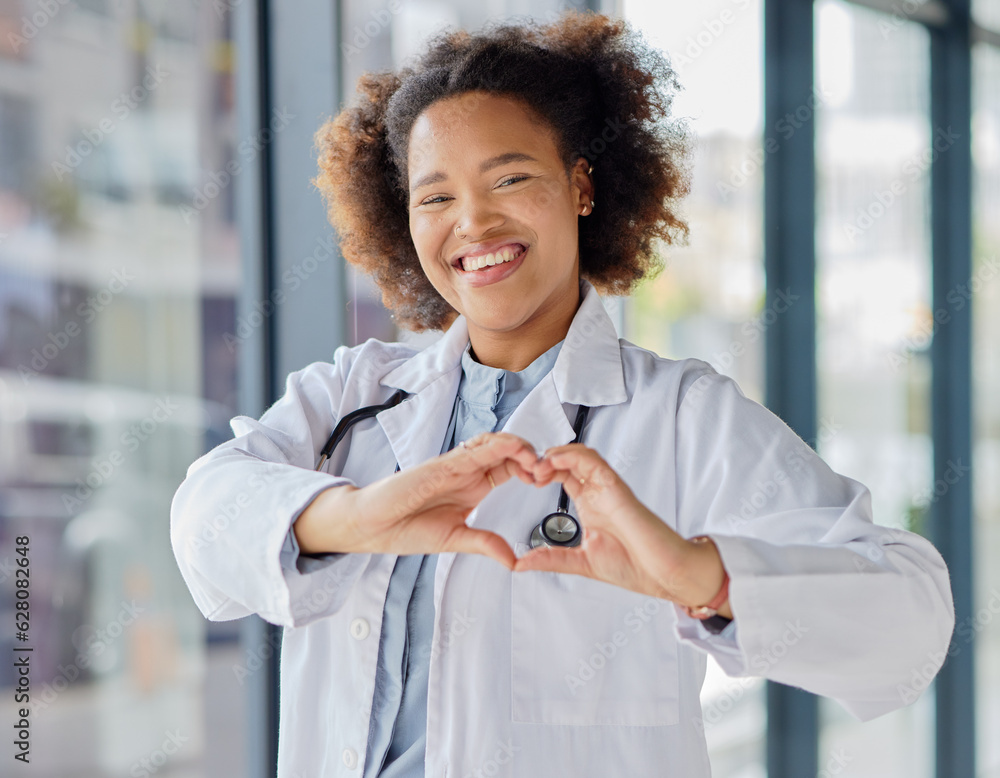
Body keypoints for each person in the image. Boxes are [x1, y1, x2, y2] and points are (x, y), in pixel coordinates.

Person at [170, 11, 955, 777]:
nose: (473, 222)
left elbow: (910, 621)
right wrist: (356, 517)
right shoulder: (353, 395)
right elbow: (205, 520)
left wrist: (702, 576)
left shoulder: (682, 418)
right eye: (435, 197)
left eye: (510, 178)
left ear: (581, 185)